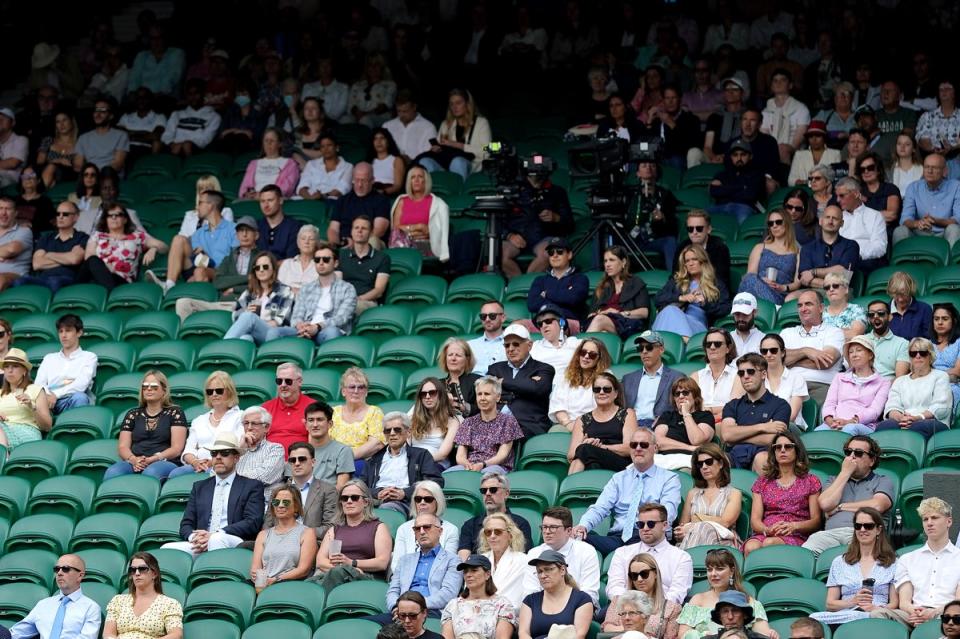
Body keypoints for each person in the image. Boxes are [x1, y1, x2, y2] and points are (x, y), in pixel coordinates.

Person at [574, 429, 682, 555]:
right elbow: (600, 508)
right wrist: (583, 526)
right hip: (617, 538)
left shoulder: (669, 478)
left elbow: (668, 513)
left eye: (644, 445)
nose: (638, 448)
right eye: (633, 445)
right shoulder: (618, 478)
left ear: (655, 448)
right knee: (576, 541)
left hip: (648, 537)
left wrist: (648, 528)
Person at [163, 432, 265, 555]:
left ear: (236, 458)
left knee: (216, 539)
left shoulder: (251, 486)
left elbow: (253, 522)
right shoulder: (199, 487)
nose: (218, 457)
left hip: (233, 539)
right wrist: (194, 538)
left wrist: (217, 533)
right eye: (214, 453)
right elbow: (186, 523)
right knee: (167, 548)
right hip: (201, 542)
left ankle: (217, 573)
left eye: (225, 453)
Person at [869, 497, 960, 628]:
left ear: (949, 521)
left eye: (934, 518)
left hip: (948, 614)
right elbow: (904, 602)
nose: (929, 523)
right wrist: (916, 613)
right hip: (913, 615)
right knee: (878, 613)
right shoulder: (907, 559)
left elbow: (958, 601)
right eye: (925, 519)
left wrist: (933, 613)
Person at [804, 435, 895, 555]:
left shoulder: (882, 480)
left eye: (858, 453)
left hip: (863, 532)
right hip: (830, 534)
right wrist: (845, 473)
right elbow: (825, 504)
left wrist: (840, 507)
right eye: (848, 452)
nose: (851, 456)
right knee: (808, 550)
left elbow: (877, 506)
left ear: (871, 461)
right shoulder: (834, 480)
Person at [742, 431, 822, 555]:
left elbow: (816, 521)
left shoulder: (811, 481)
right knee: (751, 547)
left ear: (797, 450)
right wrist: (767, 530)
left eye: (788, 446)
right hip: (767, 532)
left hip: (796, 533)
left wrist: (794, 526)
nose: (782, 450)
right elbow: (755, 520)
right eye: (778, 447)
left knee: (769, 544)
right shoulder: (762, 482)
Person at [147, 190, 238, 293]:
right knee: (179, 239)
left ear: (211, 206)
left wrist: (208, 260)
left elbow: (236, 260)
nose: (197, 207)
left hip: (221, 273)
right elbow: (195, 259)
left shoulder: (234, 229)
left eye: (200, 203)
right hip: (200, 269)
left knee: (199, 271)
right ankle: (169, 286)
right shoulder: (199, 233)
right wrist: (200, 257)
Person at [267, 242, 358, 344]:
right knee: (273, 332)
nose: (321, 263)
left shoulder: (347, 288)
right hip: (304, 330)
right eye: (317, 260)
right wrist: (300, 326)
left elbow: (342, 318)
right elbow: (296, 316)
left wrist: (317, 327)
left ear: (336, 263)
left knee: (332, 332)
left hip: (326, 331)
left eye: (326, 260)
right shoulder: (306, 289)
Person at [102, 371, 186, 481]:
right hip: (135, 461)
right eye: (145, 386)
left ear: (164, 390)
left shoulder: (175, 413)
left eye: (154, 386)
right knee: (113, 472)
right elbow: (123, 447)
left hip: (164, 461)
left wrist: (154, 458)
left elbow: (176, 448)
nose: (149, 389)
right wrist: (133, 459)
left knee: (151, 472)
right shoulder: (132, 414)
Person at [378, 513, 461, 621]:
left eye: (427, 527)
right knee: (365, 623)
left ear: (440, 531)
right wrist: (395, 607)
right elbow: (393, 590)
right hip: (400, 612)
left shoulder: (453, 560)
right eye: (417, 529)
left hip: (431, 612)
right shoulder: (404, 560)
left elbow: (448, 594)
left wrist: (413, 606)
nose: (422, 532)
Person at [676, 549, 775, 639]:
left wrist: (771, 634)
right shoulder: (697, 600)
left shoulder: (749, 602)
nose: (713, 574)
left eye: (719, 568)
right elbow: (682, 635)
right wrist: (702, 636)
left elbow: (763, 635)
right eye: (709, 569)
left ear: (732, 571)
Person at [718, 353, 792, 471]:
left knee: (762, 459)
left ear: (763, 374)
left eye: (750, 372)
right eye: (741, 373)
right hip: (734, 456)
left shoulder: (781, 405)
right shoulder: (732, 405)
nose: (745, 376)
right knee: (712, 462)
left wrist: (737, 436)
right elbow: (727, 435)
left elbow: (773, 439)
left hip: (764, 455)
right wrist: (763, 427)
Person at [313, 479, 392, 590]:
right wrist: (347, 569)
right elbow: (320, 561)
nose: (349, 501)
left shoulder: (378, 527)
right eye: (344, 498)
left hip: (366, 578)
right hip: (335, 575)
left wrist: (353, 564)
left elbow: (382, 562)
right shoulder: (334, 530)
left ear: (366, 502)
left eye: (354, 498)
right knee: (304, 585)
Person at [363, 412, 443, 515]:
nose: (392, 433)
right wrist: (377, 493)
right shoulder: (374, 459)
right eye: (388, 430)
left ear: (408, 432)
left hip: (405, 501)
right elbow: (361, 486)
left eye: (397, 429)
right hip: (374, 501)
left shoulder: (421, 455)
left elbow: (435, 481)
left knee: (386, 508)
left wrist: (405, 493)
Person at [10, 553, 101, 639]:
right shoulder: (43, 604)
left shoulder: (91, 608)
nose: (59, 573)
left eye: (65, 569)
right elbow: (16, 634)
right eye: (57, 569)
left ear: (80, 576)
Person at [875, 337, 952, 439]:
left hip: (932, 422)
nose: (918, 356)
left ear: (930, 356)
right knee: (884, 426)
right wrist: (900, 418)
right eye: (913, 353)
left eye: (923, 353)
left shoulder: (940, 376)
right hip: (904, 421)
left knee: (918, 427)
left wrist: (917, 418)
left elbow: (940, 408)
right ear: (910, 357)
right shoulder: (900, 381)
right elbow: (892, 406)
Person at [522, 507, 600, 607]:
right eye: (544, 527)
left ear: (568, 531)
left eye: (553, 527)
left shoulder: (586, 551)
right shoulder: (534, 553)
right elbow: (530, 592)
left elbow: (590, 594)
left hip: (578, 608)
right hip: (542, 609)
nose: (547, 531)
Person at [486, 327, 555, 438]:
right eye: (507, 345)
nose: (511, 349)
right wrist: (527, 384)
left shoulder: (544, 369)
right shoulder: (495, 368)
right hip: (494, 422)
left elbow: (537, 389)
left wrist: (502, 382)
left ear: (529, 345)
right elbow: (488, 392)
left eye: (516, 344)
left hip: (528, 425)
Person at [447, 376, 524, 474]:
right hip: (470, 466)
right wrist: (468, 465)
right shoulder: (468, 422)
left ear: (498, 397)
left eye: (487, 394)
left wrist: (482, 464)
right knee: (446, 476)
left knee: (487, 476)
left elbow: (502, 455)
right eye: (479, 394)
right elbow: (460, 455)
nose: (482, 398)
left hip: (497, 467)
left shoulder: (508, 421)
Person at [815, 337, 891, 435]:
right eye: (851, 352)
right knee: (817, 433)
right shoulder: (839, 377)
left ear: (870, 355)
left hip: (863, 425)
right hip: (834, 423)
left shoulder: (883, 382)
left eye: (859, 351)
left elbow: (875, 411)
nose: (854, 355)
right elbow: (830, 403)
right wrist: (831, 421)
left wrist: (850, 421)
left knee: (849, 429)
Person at [779, 290, 844, 405]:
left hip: (820, 386)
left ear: (821, 308)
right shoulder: (786, 333)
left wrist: (790, 361)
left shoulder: (834, 332)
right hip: (788, 385)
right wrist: (805, 351)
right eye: (800, 305)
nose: (803, 309)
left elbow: (825, 362)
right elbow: (776, 360)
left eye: (808, 304)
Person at [674, 442, 742, 550]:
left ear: (720, 464)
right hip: (693, 540)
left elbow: (725, 522)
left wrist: (695, 521)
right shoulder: (692, 493)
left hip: (723, 543)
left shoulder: (734, 493)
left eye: (708, 462)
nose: (704, 467)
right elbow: (683, 526)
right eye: (700, 464)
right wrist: (681, 532)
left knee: (703, 527)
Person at [267, 441, 338, 544]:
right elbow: (268, 524)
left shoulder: (328, 490)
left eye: (302, 459)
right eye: (292, 460)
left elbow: (330, 527)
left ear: (313, 462)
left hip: (310, 543)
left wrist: (299, 533)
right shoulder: (278, 491)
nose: (297, 463)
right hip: (278, 542)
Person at [566, 371, 636, 473]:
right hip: (590, 459)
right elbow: (571, 455)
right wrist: (584, 444)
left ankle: (569, 486)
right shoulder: (582, 419)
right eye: (597, 389)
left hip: (619, 463)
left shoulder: (627, 414)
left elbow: (629, 448)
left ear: (615, 393)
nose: (601, 392)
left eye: (607, 389)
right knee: (592, 463)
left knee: (585, 450)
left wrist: (600, 447)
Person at [249, 485, 319, 588]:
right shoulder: (263, 534)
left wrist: (276, 579)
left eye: (285, 502)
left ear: (296, 506)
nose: (280, 506)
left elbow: (304, 569)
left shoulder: (307, 533)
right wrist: (260, 580)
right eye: (276, 502)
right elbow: (256, 569)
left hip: (291, 586)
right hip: (264, 585)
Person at [655, 245, 731, 337]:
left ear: (702, 261)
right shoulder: (677, 281)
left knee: (670, 311)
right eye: (687, 261)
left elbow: (726, 308)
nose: (691, 263)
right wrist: (681, 298)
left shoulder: (716, 283)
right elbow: (658, 298)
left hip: (697, 326)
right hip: (673, 320)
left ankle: (661, 344)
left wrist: (705, 303)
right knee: (670, 310)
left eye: (694, 259)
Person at [76, 204, 155, 291]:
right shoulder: (97, 235)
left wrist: (153, 249)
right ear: (105, 220)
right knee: (92, 260)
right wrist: (105, 267)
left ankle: (112, 293)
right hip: (96, 276)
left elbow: (164, 246)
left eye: (118, 215)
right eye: (110, 216)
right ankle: (112, 293)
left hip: (122, 279)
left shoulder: (137, 236)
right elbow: (89, 257)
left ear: (125, 219)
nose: (114, 218)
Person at [103, 552, 183, 639]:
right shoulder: (118, 600)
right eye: (133, 570)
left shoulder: (169, 604)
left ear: (154, 574)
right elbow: (108, 634)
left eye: (142, 569)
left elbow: (176, 634)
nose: (137, 573)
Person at [222, 251, 295, 345]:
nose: (261, 270)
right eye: (257, 268)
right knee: (245, 338)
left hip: (273, 334)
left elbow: (278, 321)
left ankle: (223, 346)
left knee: (249, 317)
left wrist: (254, 322)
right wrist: (245, 311)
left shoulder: (285, 291)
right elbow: (235, 316)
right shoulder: (249, 293)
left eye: (265, 267)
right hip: (253, 333)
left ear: (273, 268)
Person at [418, 88, 492, 180]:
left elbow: (487, 149)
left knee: (457, 162)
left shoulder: (481, 123)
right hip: (445, 164)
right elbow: (440, 147)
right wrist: (436, 149)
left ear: (467, 104)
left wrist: (458, 145)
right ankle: (435, 192)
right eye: (451, 104)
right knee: (424, 161)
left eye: (458, 103)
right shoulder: (445, 124)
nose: (454, 107)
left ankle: (457, 192)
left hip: (471, 164)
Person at [14, 200, 87, 292]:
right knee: (20, 281)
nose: (60, 217)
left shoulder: (82, 237)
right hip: (43, 279)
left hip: (67, 279)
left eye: (65, 214)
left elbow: (74, 259)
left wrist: (48, 255)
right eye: (58, 214)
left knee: (54, 281)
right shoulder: (46, 237)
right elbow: (37, 264)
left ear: (75, 217)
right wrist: (66, 258)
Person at [519, 551, 593, 639]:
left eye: (548, 569)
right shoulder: (530, 601)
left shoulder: (582, 599)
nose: (542, 575)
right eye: (539, 571)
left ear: (562, 570)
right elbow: (523, 633)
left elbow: (579, 635)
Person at [441, 554, 517, 639]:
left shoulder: (503, 605)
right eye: (465, 571)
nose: (468, 575)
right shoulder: (453, 605)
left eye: (474, 570)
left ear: (487, 574)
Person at [602, 557, 682, 638]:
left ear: (655, 574)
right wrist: (633, 630)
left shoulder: (672, 607)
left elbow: (671, 637)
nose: (639, 579)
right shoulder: (619, 600)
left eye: (644, 574)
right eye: (634, 575)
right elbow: (607, 627)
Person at [33, 313, 96, 414]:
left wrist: (56, 395)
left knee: (80, 397)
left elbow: (81, 384)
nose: (64, 335)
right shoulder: (49, 358)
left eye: (68, 330)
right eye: (60, 331)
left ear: (79, 333)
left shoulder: (89, 357)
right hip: (48, 401)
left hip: (71, 399)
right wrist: (48, 396)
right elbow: (39, 383)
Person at [393, 481, 461, 571]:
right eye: (418, 499)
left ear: (438, 502)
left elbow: (448, 564)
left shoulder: (451, 530)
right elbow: (396, 564)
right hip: (406, 581)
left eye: (428, 499)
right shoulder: (403, 529)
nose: (422, 502)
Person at [623, 331, 686, 428]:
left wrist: (664, 420)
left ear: (661, 349)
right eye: (640, 348)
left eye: (649, 347)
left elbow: (683, 406)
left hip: (662, 426)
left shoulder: (677, 377)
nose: (644, 351)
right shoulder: (628, 379)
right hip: (631, 425)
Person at [794, 205, 860, 298]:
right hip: (812, 291)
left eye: (835, 218)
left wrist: (813, 272)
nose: (830, 221)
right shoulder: (807, 248)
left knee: (837, 296)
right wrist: (832, 284)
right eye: (827, 217)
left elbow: (843, 272)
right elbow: (804, 277)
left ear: (842, 223)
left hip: (841, 292)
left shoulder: (851, 245)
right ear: (821, 221)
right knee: (790, 298)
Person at [625, 160, 680, 270]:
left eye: (652, 166)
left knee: (670, 241)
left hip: (654, 240)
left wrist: (663, 219)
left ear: (657, 172)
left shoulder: (665, 195)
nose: (648, 168)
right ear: (638, 173)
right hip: (629, 241)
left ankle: (675, 281)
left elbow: (674, 226)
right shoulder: (629, 194)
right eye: (644, 165)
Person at [896, 153, 960, 247]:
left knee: (954, 229)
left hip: (945, 233)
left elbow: (958, 219)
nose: (930, 171)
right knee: (900, 231)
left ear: (944, 171)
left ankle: (952, 262)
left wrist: (935, 221)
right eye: (927, 167)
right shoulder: (913, 187)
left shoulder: (956, 186)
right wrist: (917, 223)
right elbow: (905, 219)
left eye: (935, 168)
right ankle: (902, 261)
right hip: (919, 232)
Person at [653, 377, 717, 471]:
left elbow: (697, 440)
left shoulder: (705, 416)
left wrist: (686, 413)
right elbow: (658, 441)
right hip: (664, 459)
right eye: (677, 394)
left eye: (685, 393)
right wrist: (690, 448)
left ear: (695, 396)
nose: (681, 396)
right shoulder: (667, 416)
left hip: (690, 461)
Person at [525, 238, 588, 332]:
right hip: (541, 322)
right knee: (516, 326)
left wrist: (547, 294)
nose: (555, 255)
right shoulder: (540, 280)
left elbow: (573, 299)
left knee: (555, 326)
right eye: (551, 252)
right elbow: (532, 304)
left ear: (569, 255)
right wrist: (563, 297)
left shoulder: (580, 278)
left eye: (559, 251)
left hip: (568, 322)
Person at [389, 165, 450, 261]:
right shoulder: (402, 201)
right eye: (413, 177)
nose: (416, 180)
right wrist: (419, 227)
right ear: (409, 181)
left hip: (426, 245)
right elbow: (396, 229)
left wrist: (408, 231)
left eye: (420, 177)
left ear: (426, 181)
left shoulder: (437, 203)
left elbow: (436, 232)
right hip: (403, 244)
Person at [738, 209, 800, 304]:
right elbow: (750, 274)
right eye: (771, 223)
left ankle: (743, 310)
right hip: (757, 286)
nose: (774, 226)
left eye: (778, 222)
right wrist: (763, 280)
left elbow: (797, 282)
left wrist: (783, 287)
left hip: (780, 293)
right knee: (749, 279)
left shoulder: (797, 251)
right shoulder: (760, 247)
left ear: (787, 223)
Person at [549, 338, 612, 432]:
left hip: (594, 424)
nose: (586, 356)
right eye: (583, 352)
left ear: (600, 358)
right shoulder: (566, 375)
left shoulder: (606, 377)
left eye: (592, 355)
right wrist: (569, 424)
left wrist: (583, 426)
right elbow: (558, 406)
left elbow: (606, 408)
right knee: (555, 431)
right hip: (567, 424)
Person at [585, 247, 650, 337]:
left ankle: (579, 347)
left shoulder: (635, 282)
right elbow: (590, 315)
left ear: (623, 262)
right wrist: (602, 312)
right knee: (602, 332)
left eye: (612, 260)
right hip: (603, 325)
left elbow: (644, 313)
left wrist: (618, 313)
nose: (607, 264)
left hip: (625, 325)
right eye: (605, 261)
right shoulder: (602, 287)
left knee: (600, 320)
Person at [331, 367, 386, 465]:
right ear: (343, 391)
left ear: (366, 392)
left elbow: (376, 444)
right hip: (332, 461)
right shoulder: (333, 412)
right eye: (352, 387)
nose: (356, 391)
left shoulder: (375, 412)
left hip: (361, 462)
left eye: (361, 387)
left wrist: (346, 457)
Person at [326, 164, 391, 247]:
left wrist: (356, 243)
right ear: (352, 180)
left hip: (368, 243)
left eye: (364, 181)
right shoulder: (342, 200)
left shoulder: (381, 200)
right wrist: (335, 246)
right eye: (357, 180)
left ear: (372, 180)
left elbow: (379, 230)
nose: (360, 185)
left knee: (373, 241)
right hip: (344, 243)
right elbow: (333, 229)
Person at [338, 216, 391, 314]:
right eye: (356, 228)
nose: (359, 231)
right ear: (351, 231)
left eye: (364, 228)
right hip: (342, 300)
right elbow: (336, 283)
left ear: (370, 233)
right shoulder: (342, 255)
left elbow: (379, 290)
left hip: (366, 302)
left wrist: (357, 299)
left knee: (349, 307)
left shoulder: (382, 258)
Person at [836, 176, 888, 274]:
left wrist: (855, 254)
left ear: (855, 194)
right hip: (840, 262)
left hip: (865, 261)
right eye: (837, 196)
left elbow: (880, 247)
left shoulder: (875, 215)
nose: (838, 200)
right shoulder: (838, 217)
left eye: (842, 195)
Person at [479, 512, 530, 611]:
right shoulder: (480, 560)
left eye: (498, 532)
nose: (492, 536)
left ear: (510, 535)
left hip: (509, 615)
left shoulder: (523, 560)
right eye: (488, 532)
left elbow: (520, 599)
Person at [708, 141, 765, 224]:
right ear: (731, 157)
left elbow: (750, 195)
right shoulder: (723, 174)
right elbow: (713, 191)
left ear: (750, 156)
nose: (739, 158)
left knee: (743, 217)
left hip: (744, 207)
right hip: (721, 207)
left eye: (743, 154)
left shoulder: (757, 175)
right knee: (698, 216)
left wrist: (724, 188)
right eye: (735, 155)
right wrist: (741, 187)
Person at [261, 363, 313, 455]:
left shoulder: (313, 407)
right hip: (269, 461)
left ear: (300, 381)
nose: (283, 385)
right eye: (279, 381)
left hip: (300, 462)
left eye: (288, 381)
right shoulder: (265, 408)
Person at [161, 79, 221, 156]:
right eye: (190, 94)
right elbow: (166, 135)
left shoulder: (214, 116)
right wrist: (172, 144)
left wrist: (186, 144)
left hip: (197, 150)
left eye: (196, 93)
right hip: (174, 149)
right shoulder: (176, 114)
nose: (193, 97)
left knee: (187, 146)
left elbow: (205, 140)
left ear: (203, 94)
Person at [675, 211, 732, 291]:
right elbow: (676, 276)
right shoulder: (682, 247)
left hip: (712, 293)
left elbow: (721, 280)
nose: (694, 232)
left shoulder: (720, 248)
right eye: (690, 229)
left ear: (709, 229)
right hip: (685, 292)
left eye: (699, 228)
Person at [695, 328, 745, 418]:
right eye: (708, 344)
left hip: (726, 423)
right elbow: (690, 406)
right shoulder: (695, 376)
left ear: (728, 348)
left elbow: (734, 408)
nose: (712, 347)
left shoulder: (738, 376)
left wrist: (708, 410)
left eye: (717, 344)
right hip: (697, 423)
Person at [410, 378, 460, 466]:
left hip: (436, 465)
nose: (427, 397)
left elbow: (442, 454)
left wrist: (418, 460)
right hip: (412, 463)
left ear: (441, 395)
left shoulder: (452, 422)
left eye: (432, 393)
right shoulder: (412, 419)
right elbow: (404, 446)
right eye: (423, 394)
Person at [238, 127, 300, 199]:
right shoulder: (254, 163)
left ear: (280, 144)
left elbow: (287, 188)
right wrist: (247, 194)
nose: (268, 144)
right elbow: (244, 186)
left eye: (272, 141)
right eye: (266, 141)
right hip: (254, 199)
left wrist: (264, 195)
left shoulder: (290, 163)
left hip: (277, 198)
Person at [235, 406, 285, 494]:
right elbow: (216, 473)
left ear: (266, 427)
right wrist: (239, 450)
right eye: (246, 423)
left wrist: (231, 479)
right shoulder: (236, 450)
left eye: (254, 423)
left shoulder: (275, 449)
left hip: (263, 503)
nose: (249, 427)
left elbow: (264, 477)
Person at [305, 401, 354, 489]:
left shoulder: (343, 451)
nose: (315, 425)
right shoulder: (298, 452)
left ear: (330, 424)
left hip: (328, 500)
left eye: (320, 420)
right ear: (306, 425)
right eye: (311, 420)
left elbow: (341, 488)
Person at [72, 97, 128, 172]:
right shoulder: (83, 138)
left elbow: (118, 164)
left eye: (103, 111)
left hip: (110, 177)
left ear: (111, 116)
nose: (98, 114)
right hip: (89, 178)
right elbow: (78, 165)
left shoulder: (121, 135)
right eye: (96, 110)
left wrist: (97, 175)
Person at [856, 152, 902, 241]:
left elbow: (891, 215)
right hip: (863, 234)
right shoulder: (858, 191)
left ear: (878, 170)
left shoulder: (890, 188)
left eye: (870, 168)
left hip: (887, 233)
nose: (866, 171)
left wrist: (865, 217)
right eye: (862, 169)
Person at [384, 92, 438, 164]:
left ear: (414, 107)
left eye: (405, 111)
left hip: (417, 168)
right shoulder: (387, 126)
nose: (401, 115)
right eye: (399, 111)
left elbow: (429, 157)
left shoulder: (428, 127)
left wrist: (411, 161)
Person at [529, 304, 581, 376]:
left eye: (548, 321)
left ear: (561, 322)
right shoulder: (533, 347)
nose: (544, 326)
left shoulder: (576, 344)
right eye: (540, 324)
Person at [867, 300, 911, 380]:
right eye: (871, 314)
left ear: (890, 317)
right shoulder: (861, 340)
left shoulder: (902, 344)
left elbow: (899, 379)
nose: (875, 316)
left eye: (880, 313)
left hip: (888, 388)